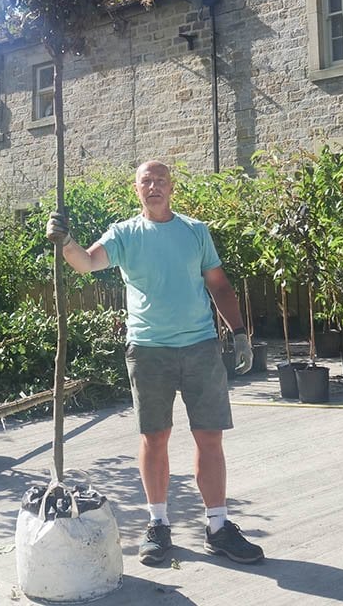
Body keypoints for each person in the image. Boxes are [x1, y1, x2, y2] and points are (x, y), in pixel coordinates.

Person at [45, 160, 264, 566]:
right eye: (146, 180)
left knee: (209, 437)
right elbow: (88, 262)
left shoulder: (195, 231)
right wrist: (66, 242)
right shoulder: (126, 233)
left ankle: (218, 527)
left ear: (172, 188)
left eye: (161, 180)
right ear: (137, 189)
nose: (154, 186)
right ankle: (158, 525)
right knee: (155, 437)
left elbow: (218, 283)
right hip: (148, 351)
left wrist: (239, 333)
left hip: (200, 347)